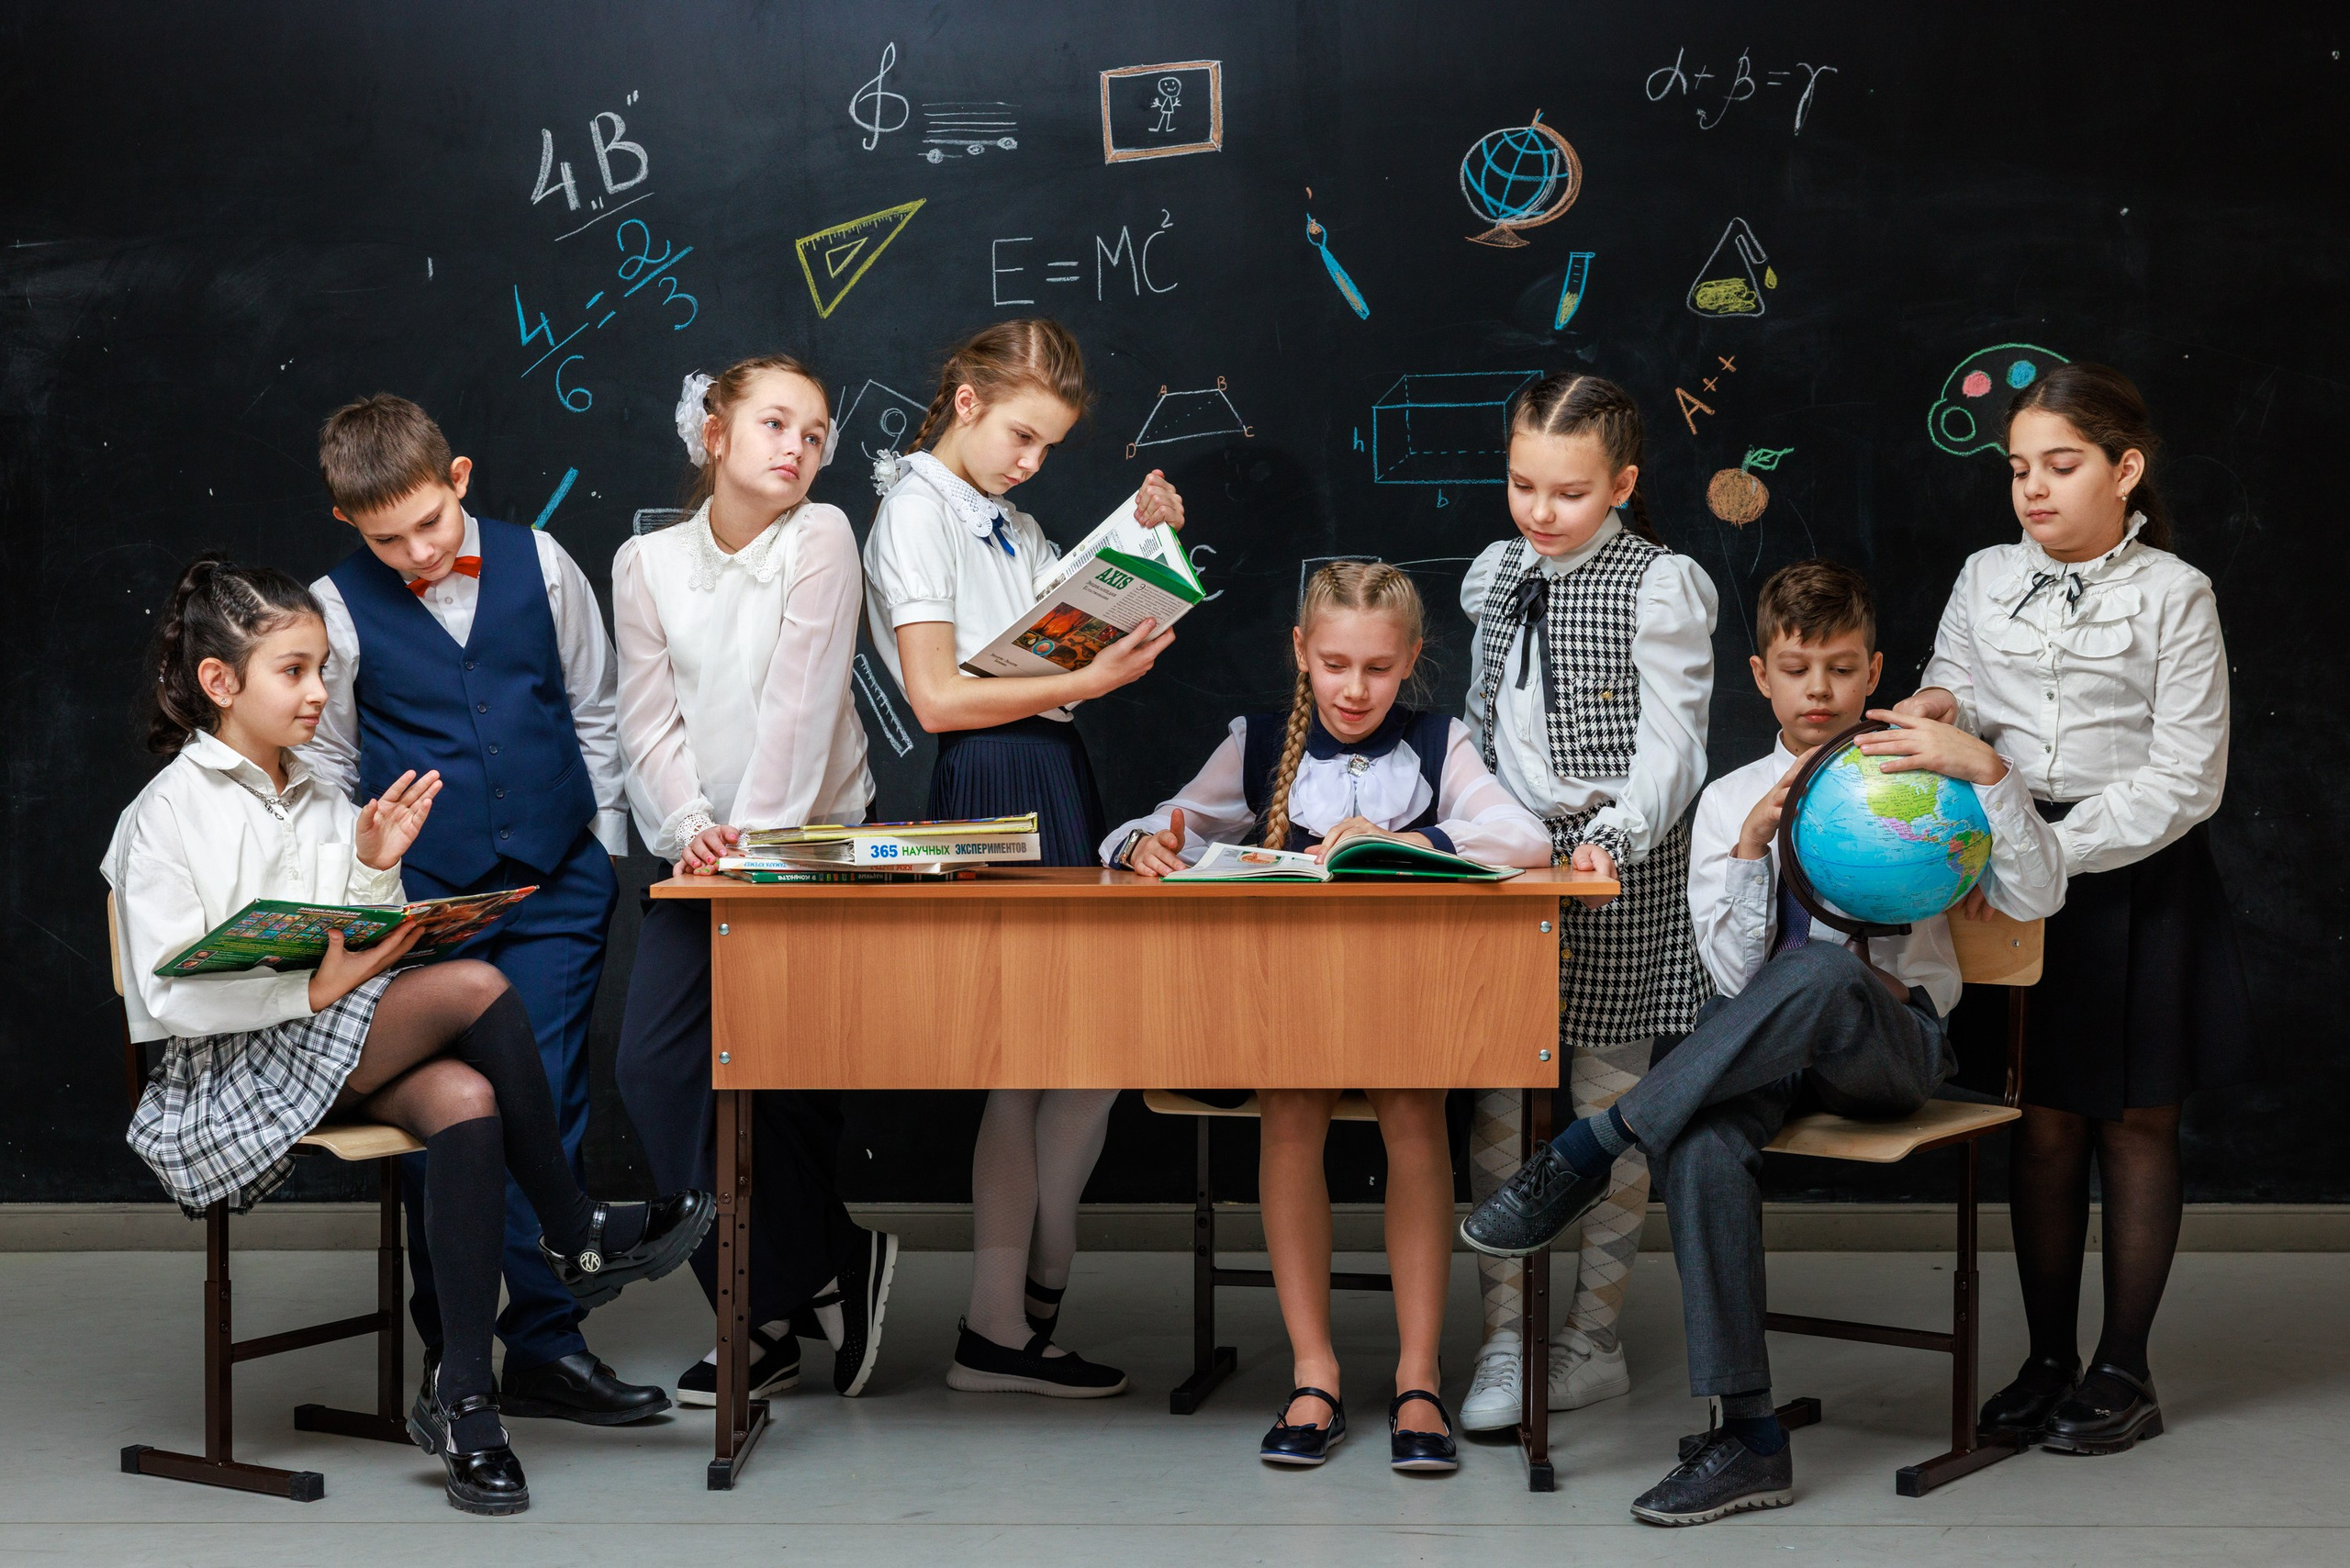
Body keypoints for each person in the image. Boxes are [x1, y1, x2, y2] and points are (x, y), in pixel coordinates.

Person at [1460, 558, 2066, 1524]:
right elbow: (1738, 984)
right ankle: (1748, 1436)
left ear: (1874, 672)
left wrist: (1988, 772)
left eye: (1838, 668)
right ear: (1759, 674)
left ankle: (1594, 1142)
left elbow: (2037, 899)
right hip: (1766, 1055)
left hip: (1890, 1050)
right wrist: (1749, 851)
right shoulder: (1727, 798)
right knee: (1700, 1141)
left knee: (1827, 973)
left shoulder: (1923, 774)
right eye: (1796, 668)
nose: (1818, 690)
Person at [106, 556, 711, 1515]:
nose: (318, 693)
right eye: (293, 671)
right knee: (473, 983)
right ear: (220, 683)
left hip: (326, 1046)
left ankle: (467, 1399)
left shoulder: (314, 796)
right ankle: (573, 1227)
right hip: (229, 1071)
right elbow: (166, 1001)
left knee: (466, 1098)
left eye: (321, 670)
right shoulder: (167, 813)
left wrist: (378, 869)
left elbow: (351, 939)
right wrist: (315, 992)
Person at [1104, 562, 1551, 1472]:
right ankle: (1314, 1373)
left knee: (1413, 1116)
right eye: (1336, 663)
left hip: (1405, 991)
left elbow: (1525, 839)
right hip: (1287, 992)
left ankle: (1417, 1377)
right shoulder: (1260, 739)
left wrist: (1402, 840)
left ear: (1413, 660)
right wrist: (1147, 841)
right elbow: (1168, 821)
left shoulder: (1437, 739)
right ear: (1302, 652)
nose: (1355, 688)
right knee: (1292, 1114)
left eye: (1379, 669)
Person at [1897, 363, 2248, 1456]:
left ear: (2123, 468)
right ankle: (2046, 1359)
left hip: (2133, 868)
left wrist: (2048, 848)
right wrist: (1937, 706)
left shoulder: (2175, 593)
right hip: (2004, 871)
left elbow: (2188, 776)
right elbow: (1951, 681)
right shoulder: (1982, 573)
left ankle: (2122, 1368)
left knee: (2134, 1121)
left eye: (2060, 465)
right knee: (2039, 1119)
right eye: (2017, 470)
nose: (2033, 490)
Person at [302, 396, 661, 1426]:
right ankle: (448, 1357)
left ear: (458, 477)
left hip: (556, 880)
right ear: (346, 525)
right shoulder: (333, 607)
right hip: (427, 904)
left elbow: (593, 707)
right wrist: (376, 885)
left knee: (550, 1101)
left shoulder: (541, 561)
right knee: (455, 1121)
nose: (416, 553)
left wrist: (593, 843)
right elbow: (330, 769)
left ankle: (546, 1346)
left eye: (431, 524)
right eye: (386, 539)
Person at [863, 318, 1184, 1396]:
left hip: (1049, 773)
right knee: (1028, 1063)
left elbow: (1044, 623)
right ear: (964, 401)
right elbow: (940, 698)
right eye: (1020, 434)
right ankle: (1004, 1319)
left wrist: (1131, 540)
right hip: (992, 778)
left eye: (1047, 445)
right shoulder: (914, 511)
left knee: (1082, 1055)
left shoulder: (1004, 514)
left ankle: (1026, 1302)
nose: (1029, 459)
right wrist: (1089, 686)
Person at [612, 357, 895, 1405]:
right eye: (777, 423)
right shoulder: (643, 561)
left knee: (776, 1085)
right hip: (701, 855)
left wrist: (755, 844)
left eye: (816, 434)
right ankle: (811, 1269)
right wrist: (691, 829)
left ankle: (761, 1314)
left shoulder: (820, 536)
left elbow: (804, 705)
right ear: (714, 432)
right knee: (657, 1068)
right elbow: (646, 723)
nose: (799, 448)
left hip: (812, 846)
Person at [1454, 373, 1718, 1432]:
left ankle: (1590, 1340)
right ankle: (1504, 1340)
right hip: (1506, 863)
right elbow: (1482, 726)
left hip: (1619, 863)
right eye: (1523, 484)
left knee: (1610, 1111)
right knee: (1496, 1103)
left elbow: (1677, 744)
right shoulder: (1494, 575)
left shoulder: (1660, 585)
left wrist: (1612, 836)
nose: (1539, 511)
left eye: (1567, 492)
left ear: (1621, 484)